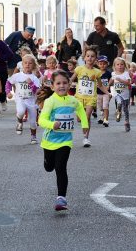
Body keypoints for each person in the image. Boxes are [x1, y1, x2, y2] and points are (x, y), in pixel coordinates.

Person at [37, 71, 88, 211]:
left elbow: (81, 110)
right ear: (52, 86)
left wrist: (85, 125)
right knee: (49, 168)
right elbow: (41, 120)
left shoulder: (73, 100)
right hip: (49, 141)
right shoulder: (50, 101)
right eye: (58, 83)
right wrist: (52, 125)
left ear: (69, 84)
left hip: (65, 141)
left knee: (61, 168)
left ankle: (61, 198)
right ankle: (47, 163)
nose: (62, 86)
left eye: (65, 83)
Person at [70, 46, 110, 147]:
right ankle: (83, 129)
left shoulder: (97, 72)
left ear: (95, 59)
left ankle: (85, 138)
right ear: (84, 58)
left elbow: (100, 85)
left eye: (92, 56)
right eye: (88, 56)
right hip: (79, 97)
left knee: (86, 117)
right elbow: (71, 79)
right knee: (80, 119)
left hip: (91, 98)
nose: (90, 58)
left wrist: (107, 93)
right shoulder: (79, 69)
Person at [6, 54, 41, 144]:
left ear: (33, 65)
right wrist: (8, 92)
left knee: (33, 122)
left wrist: (31, 84)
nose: (27, 65)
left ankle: (33, 136)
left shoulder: (34, 78)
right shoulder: (17, 76)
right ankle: (19, 122)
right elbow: (8, 82)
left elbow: (37, 91)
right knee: (20, 112)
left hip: (32, 101)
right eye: (25, 63)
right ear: (22, 64)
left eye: (30, 63)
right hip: (21, 99)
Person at [109, 57, 131, 132]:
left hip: (125, 94)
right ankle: (118, 109)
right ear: (114, 66)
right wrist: (107, 86)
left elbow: (128, 83)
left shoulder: (126, 74)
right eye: (117, 64)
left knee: (126, 109)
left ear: (124, 66)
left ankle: (126, 122)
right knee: (119, 101)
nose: (120, 66)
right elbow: (111, 80)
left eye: (121, 64)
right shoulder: (113, 73)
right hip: (117, 93)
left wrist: (120, 80)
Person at [96, 55, 111, 127]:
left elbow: (112, 80)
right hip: (98, 92)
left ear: (107, 64)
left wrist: (109, 85)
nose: (102, 65)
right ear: (98, 64)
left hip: (106, 93)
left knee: (105, 106)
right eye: (100, 64)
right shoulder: (96, 72)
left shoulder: (108, 73)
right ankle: (102, 117)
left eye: (104, 63)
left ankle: (106, 120)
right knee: (100, 107)